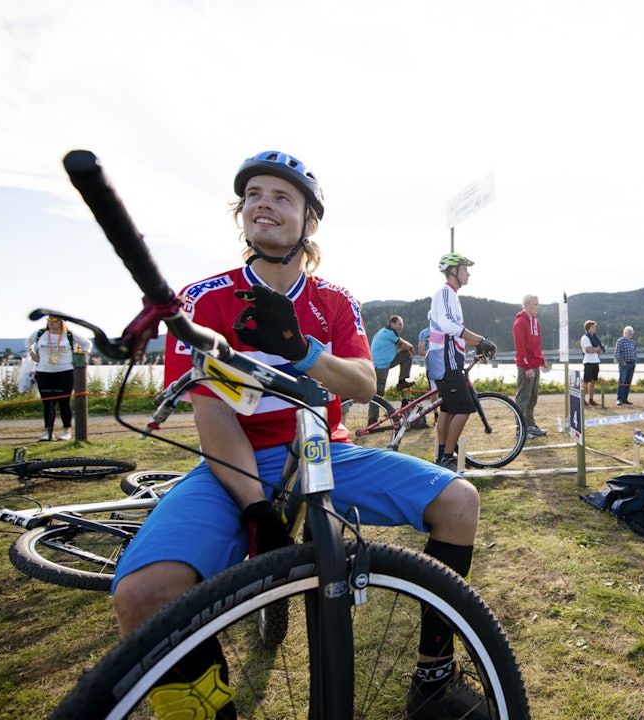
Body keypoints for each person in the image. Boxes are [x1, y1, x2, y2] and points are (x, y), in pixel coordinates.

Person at [111, 151, 489, 720]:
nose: (264, 203)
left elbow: (362, 384)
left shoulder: (334, 300)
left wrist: (303, 351)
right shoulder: (201, 299)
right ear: (242, 214)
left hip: (323, 450)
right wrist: (257, 509)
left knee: (459, 501)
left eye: (282, 196)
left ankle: (432, 678)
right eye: (254, 195)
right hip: (236, 461)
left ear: (309, 221)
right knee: (144, 594)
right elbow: (213, 417)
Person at [426, 254, 496, 471]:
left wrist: (476, 344)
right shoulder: (445, 292)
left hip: (447, 358)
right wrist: (481, 340)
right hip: (446, 361)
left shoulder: (451, 296)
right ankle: (447, 456)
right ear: (453, 271)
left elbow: (454, 332)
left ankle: (441, 455)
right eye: (465, 269)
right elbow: (447, 325)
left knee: (447, 409)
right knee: (465, 407)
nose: (468, 273)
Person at [26, 316, 92, 442]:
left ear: (62, 323)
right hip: (44, 371)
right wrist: (31, 353)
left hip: (65, 371)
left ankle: (66, 430)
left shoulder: (69, 335)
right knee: (48, 403)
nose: (51, 324)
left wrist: (81, 355)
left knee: (64, 402)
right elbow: (28, 342)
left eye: (55, 321)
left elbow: (87, 344)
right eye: (49, 321)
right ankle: (48, 431)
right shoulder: (40, 333)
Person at [512, 294, 549, 438]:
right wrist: (526, 367)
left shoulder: (535, 321)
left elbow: (537, 345)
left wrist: (542, 360)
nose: (537, 307)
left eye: (538, 304)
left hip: (535, 364)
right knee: (523, 398)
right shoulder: (520, 322)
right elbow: (520, 347)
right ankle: (520, 429)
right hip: (525, 366)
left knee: (533, 397)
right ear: (527, 305)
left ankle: (530, 425)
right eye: (535, 304)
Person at [370, 314, 416, 395]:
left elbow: (402, 345)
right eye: (399, 324)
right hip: (380, 366)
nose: (401, 327)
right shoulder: (388, 333)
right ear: (392, 324)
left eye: (402, 325)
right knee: (378, 393)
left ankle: (402, 382)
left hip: (384, 362)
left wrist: (404, 349)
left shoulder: (385, 331)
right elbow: (406, 345)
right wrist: (411, 348)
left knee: (406, 354)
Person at [580, 320, 604, 407]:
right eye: (593, 327)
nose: (595, 329)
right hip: (588, 362)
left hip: (596, 361)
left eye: (595, 327)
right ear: (588, 328)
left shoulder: (595, 338)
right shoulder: (585, 338)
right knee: (586, 381)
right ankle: (582, 400)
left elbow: (601, 350)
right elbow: (588, 350)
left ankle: (591, 400)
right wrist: (596, 349)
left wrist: (596, 349)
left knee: (593, 381)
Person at [614, 326, 637, 406]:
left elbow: (635, 353)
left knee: (628, 382)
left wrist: (635, 362)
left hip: (632, 364)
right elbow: (617, 353)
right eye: (629, 332)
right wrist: (622, 363)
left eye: (632, 332)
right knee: (622, 381)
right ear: (625, 333)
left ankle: (625, 399)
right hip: (624, 365)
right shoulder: (620, 341)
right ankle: (619, 399)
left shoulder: (633, 342)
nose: (631, 333)